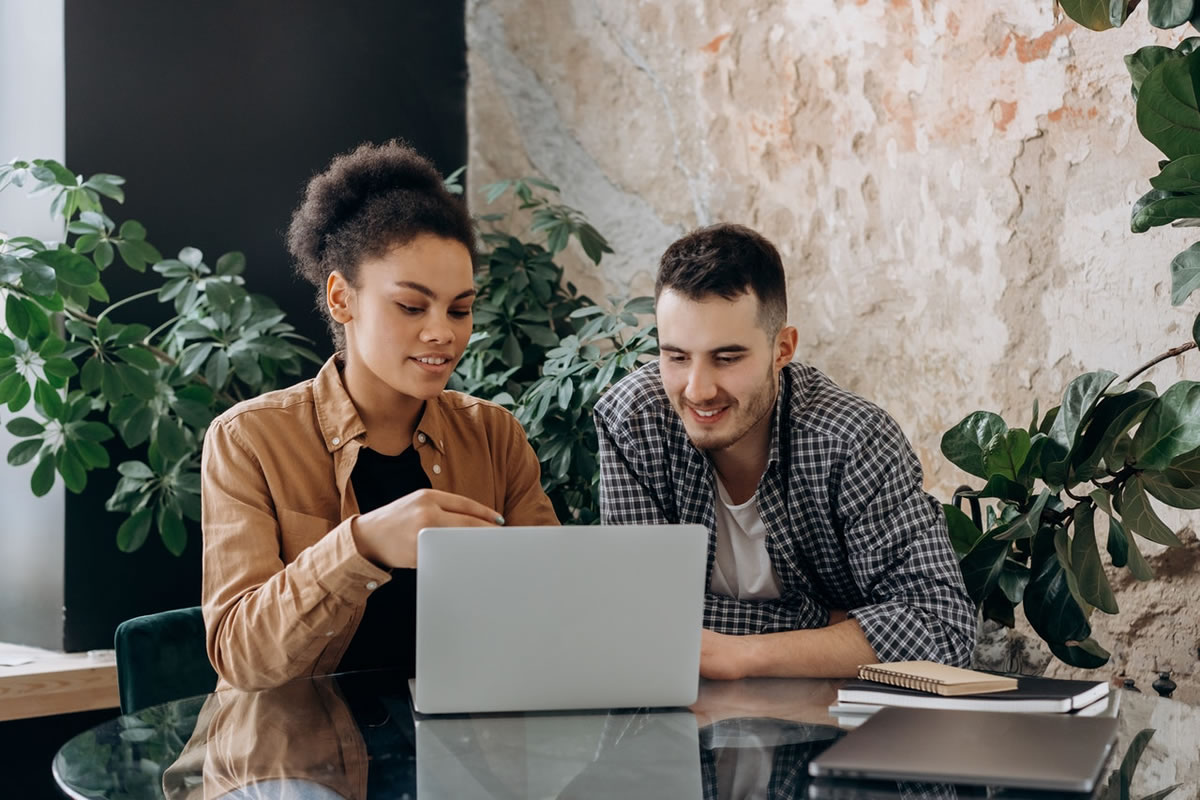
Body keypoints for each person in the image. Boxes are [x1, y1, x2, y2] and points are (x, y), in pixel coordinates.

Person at [201, 141, 558, 692]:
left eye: (460, 309)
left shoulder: (493, 436)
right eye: (412, 306)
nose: (443, 332)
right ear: (343, 299)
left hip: (460, 758)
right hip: (291, 763)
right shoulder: (249, 439)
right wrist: (361, 545)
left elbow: (552, 612)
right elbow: (242, 657)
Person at [593, 223, 975, 679]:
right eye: (676, 357)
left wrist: (740, 655)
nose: (697, 390)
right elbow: (641, 624)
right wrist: (825, 621)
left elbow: (943, 629)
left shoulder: (851, 439)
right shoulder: (633, 422)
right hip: (684, 724)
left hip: (839, 730)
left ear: (783, 349)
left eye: (727, 358)